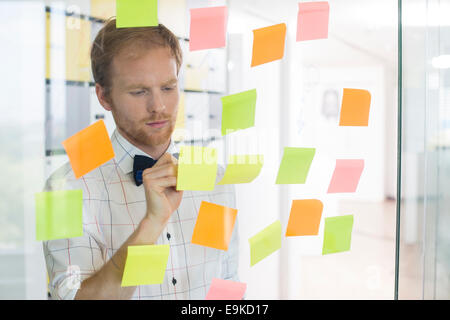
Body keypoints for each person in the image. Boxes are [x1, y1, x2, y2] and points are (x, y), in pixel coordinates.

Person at [43, 18, 239, 300]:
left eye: (168, 88)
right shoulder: (61, 190)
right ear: (104, 96)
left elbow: (228, 284)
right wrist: (151, 223)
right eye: (139, 91)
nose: (158, 106)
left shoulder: (216, 177)